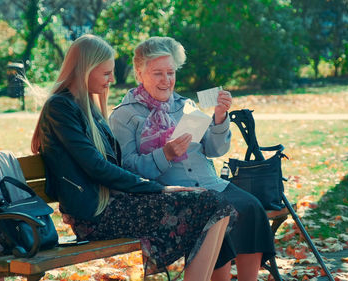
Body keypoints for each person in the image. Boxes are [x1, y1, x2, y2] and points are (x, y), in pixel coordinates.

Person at [30, 34, 236, 281]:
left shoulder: (88, 108)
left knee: (217, 204)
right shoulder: (61, 108)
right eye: (106, 73)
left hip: (115, 204)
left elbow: (109, 166)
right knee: (210, 204)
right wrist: (159, 189)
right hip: (94, 215)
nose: (112, 80)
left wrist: (158, 189)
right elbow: (96, 167)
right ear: (86, 70)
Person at [109, 36, 275, 281]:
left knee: (250, 207)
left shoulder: (185, 105)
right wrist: (164, 155)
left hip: (211, 184)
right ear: (139, 73)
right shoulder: (125, 115)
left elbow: (215, 149)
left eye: (171, 72)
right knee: (216, 216)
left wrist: (219, 117)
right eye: (158, 74)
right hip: (175, 192)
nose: (166, 81)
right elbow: (126, 169)